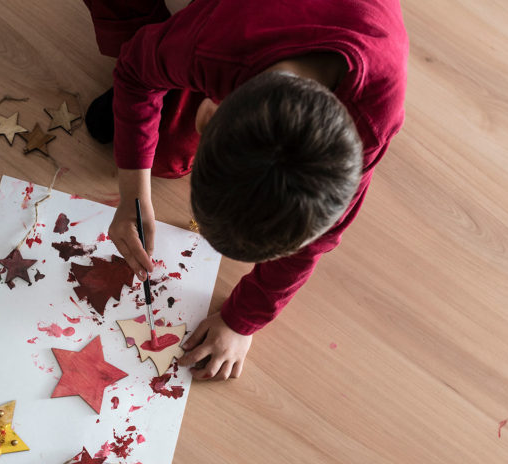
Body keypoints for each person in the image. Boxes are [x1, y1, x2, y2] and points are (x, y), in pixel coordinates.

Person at [82, 0, 408, 380]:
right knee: (152, 112)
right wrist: (133, 193)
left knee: (164, 152)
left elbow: (312, 244)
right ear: (209, 113)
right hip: (237, 28)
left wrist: (241, 322)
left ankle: (164, 67)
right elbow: (135, 68)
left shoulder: (372, 121)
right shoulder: (213, 46)